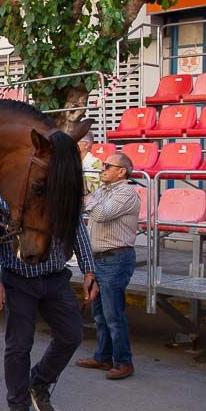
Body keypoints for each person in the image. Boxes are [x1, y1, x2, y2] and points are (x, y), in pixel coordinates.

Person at [0, 194, 98, 411]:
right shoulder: (5, 196)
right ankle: (17, 404)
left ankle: (39, 382)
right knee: (19, 345)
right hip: (18, 280)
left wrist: (89, 271)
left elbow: (77, 230)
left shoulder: (62, 191)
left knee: (71, 335)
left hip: (55, 278)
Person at [75, 152, 141, 379]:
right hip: (101, 258)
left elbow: (102, 213)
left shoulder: (126, 192)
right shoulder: (104, 191)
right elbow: (88, 207)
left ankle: (124, 362)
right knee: (101, 314)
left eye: (108, 166)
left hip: (116, 258)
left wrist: (89, 199)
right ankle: (103, 356)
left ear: (122, 171)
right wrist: (90, 198)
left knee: (113, 315)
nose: (103, 168)